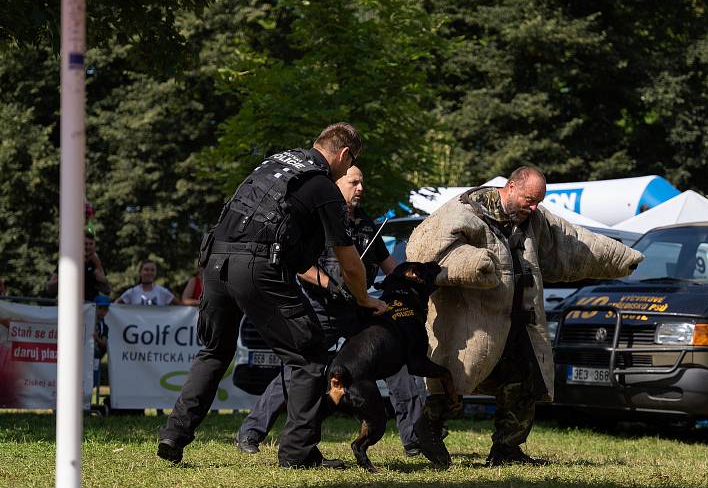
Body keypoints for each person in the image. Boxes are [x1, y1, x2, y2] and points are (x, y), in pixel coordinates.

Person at [157, 122, 387, 468]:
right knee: (309, 359)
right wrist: (365, 299)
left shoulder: (274, 163)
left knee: (214, 352)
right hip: (257, 266)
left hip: (215, 261)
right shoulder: (322, 183)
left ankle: (174, 434)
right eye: (350, 162)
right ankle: (298, 454)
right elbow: (351, 263)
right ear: (343, 155)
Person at [406, 166, 644, 467]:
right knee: (452, 381)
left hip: (521, 323)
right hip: (475, 323)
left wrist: (622, 258)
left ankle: (507, 449)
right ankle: (427, 430)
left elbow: (572, 242)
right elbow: (425, 250)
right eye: (529, 199)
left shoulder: (534, 221)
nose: (533, 207)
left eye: (538, 202)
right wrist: (474, 264)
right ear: (511, 187)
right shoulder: (464, 212)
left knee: (524, 383)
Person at [235, 165, 423, 456]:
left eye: (362, 183)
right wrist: (331, 285)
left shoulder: (368, 226)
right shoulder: (317, 221)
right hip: (320, 309)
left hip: (360, 309)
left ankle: (415, 438)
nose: (360, 188)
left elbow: (392, 269)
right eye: (354, 183)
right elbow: (299, 265)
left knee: (396, 363)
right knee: (298, 369)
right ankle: (251, 432)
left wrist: (415, 279)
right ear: (336, 185)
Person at [47, 231, 112, 301]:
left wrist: (103, 281)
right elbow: (50, 289)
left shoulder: (96, 262)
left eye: (91, 244)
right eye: (85, 244)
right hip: (70, 305)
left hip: (90, 307)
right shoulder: (67, 262)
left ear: (94, 246)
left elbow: (107, 291)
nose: (88, 247)